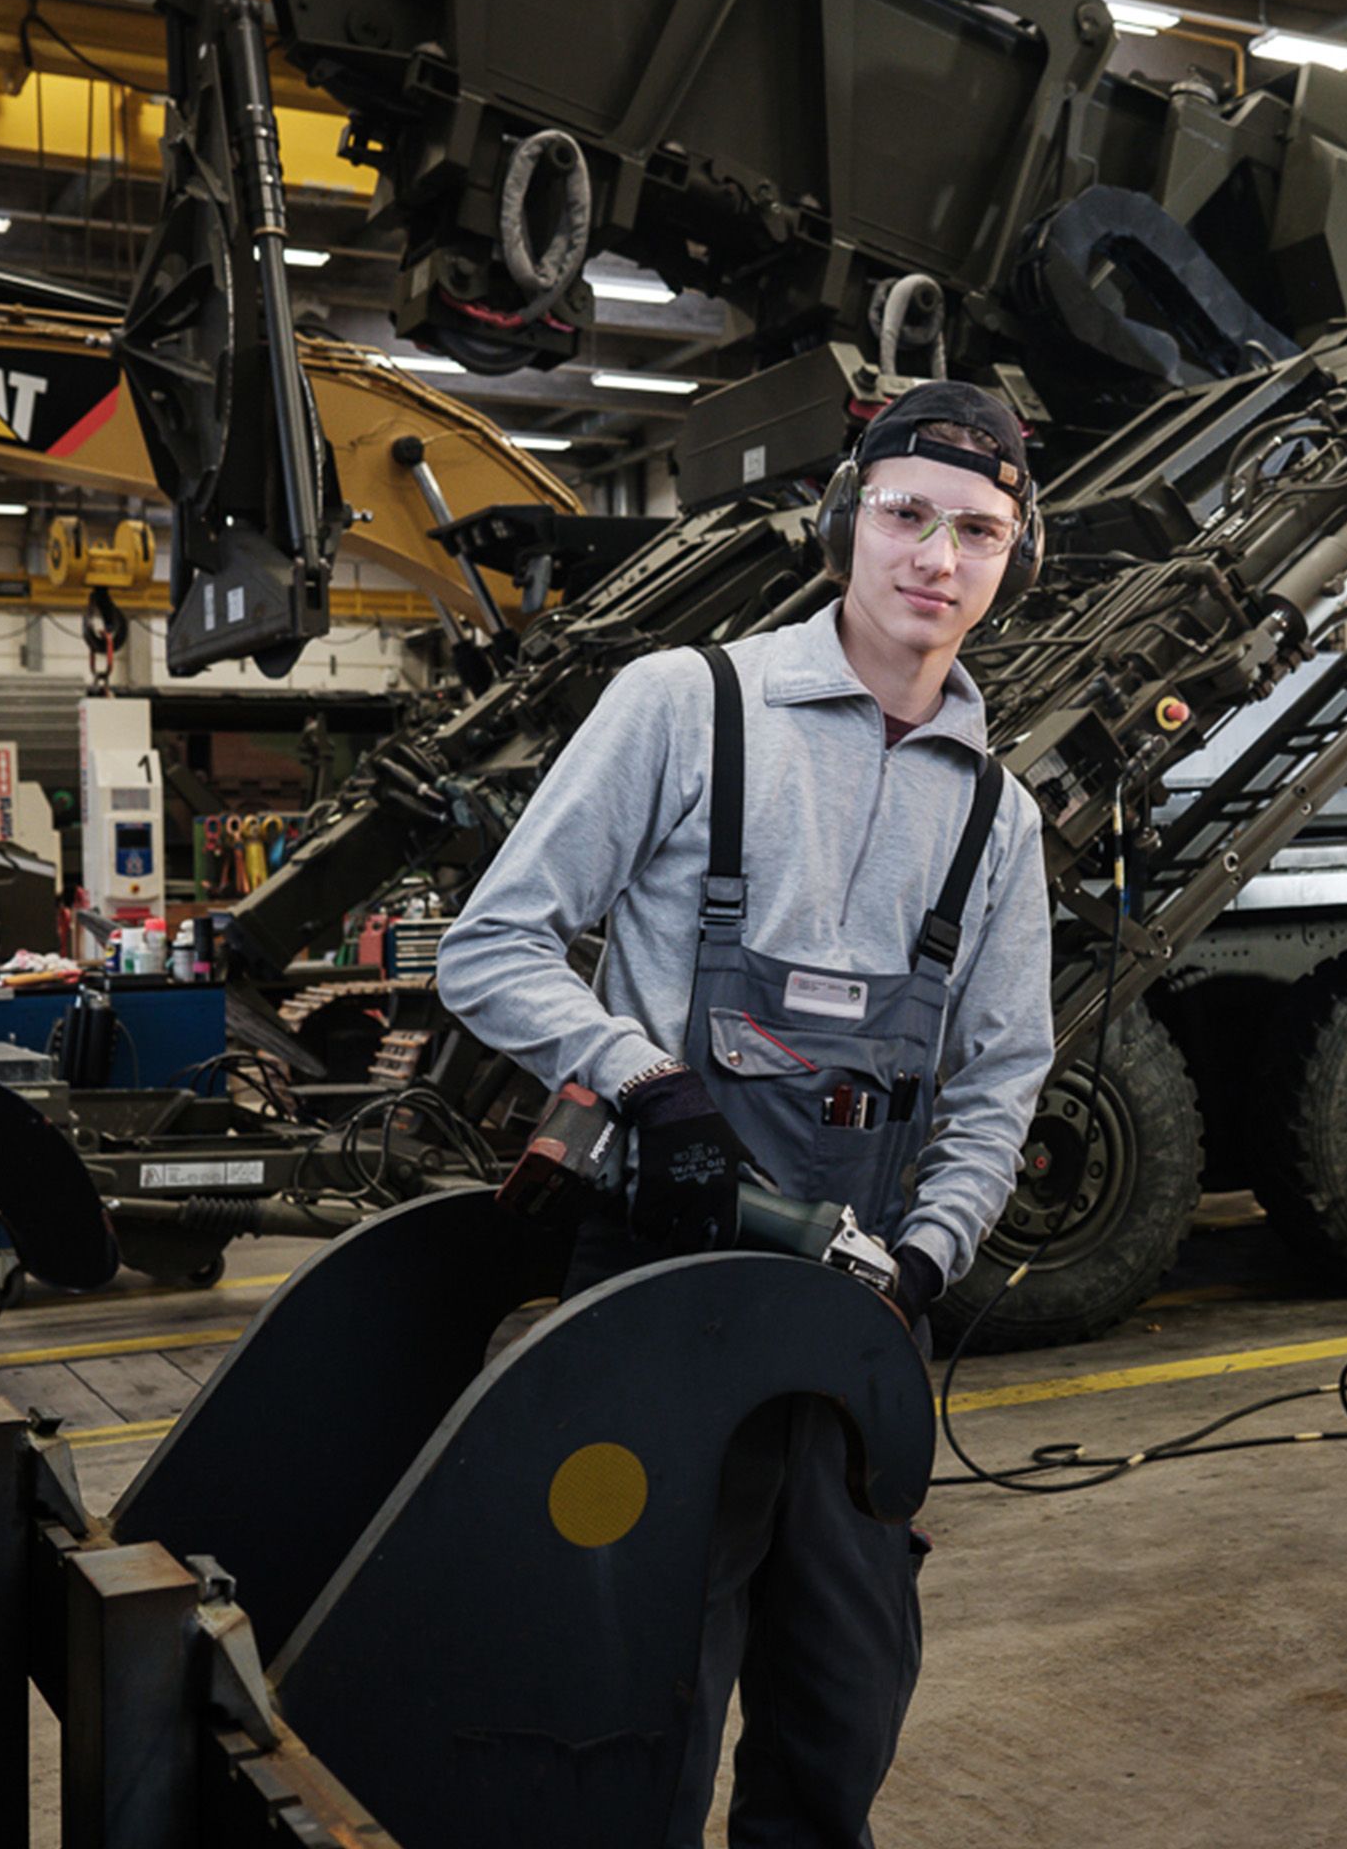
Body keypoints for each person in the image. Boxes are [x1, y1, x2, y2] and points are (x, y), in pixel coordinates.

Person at [435, 379, 1055, 1846]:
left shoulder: (998, 815)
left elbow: (998, 1080)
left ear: (1013, 560)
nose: (936, 559)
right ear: (847, 520)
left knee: (839, 1725)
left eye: (977, 531)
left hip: (851, 1328)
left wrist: (926, 1261)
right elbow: (491, 947)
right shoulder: (684, 706)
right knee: (631, 1723)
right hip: (654, 1295)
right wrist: (644, 1082)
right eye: (906, 515)